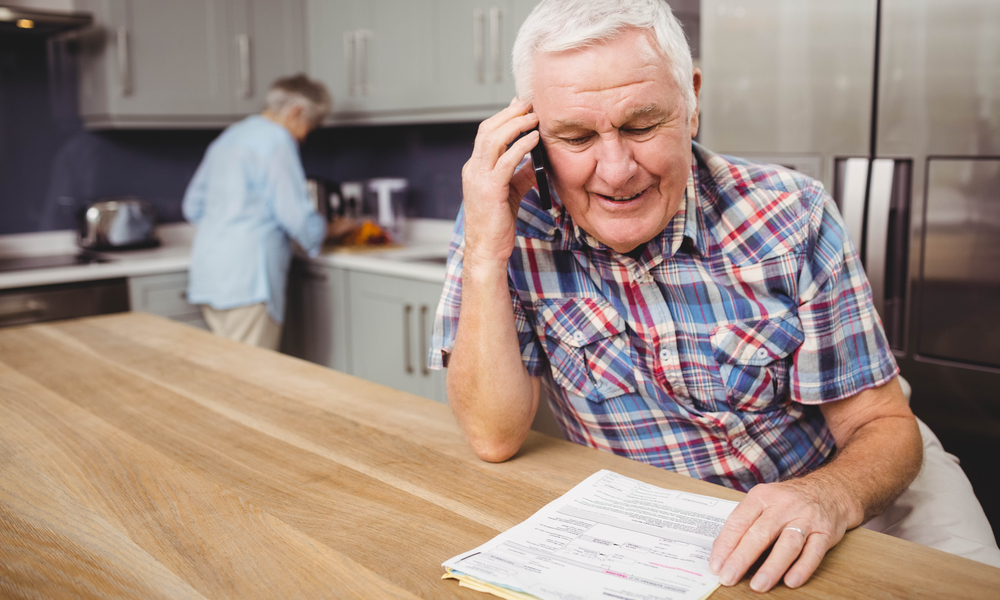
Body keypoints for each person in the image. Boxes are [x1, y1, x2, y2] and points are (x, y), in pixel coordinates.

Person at [429, 0, 1000, 592]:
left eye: (641, 124)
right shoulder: (499, 224)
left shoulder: (790, 212)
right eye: (574, 136)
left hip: (854, 479)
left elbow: (881, 422)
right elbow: (493, 437)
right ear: (532, 133)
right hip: (682, 526)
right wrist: (486, 256)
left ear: (691, 101)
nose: (616, 170)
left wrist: (828, 496)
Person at [183, 74, 331, 350]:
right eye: (311, 125)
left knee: (228, 370)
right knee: (251, 379)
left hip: (211, 273)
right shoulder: (277, 141)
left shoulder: (231, 135)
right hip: (249, 280)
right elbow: (295, 217)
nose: (306, 135)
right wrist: (323, 230)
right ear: (296, 112)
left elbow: (193, 206)